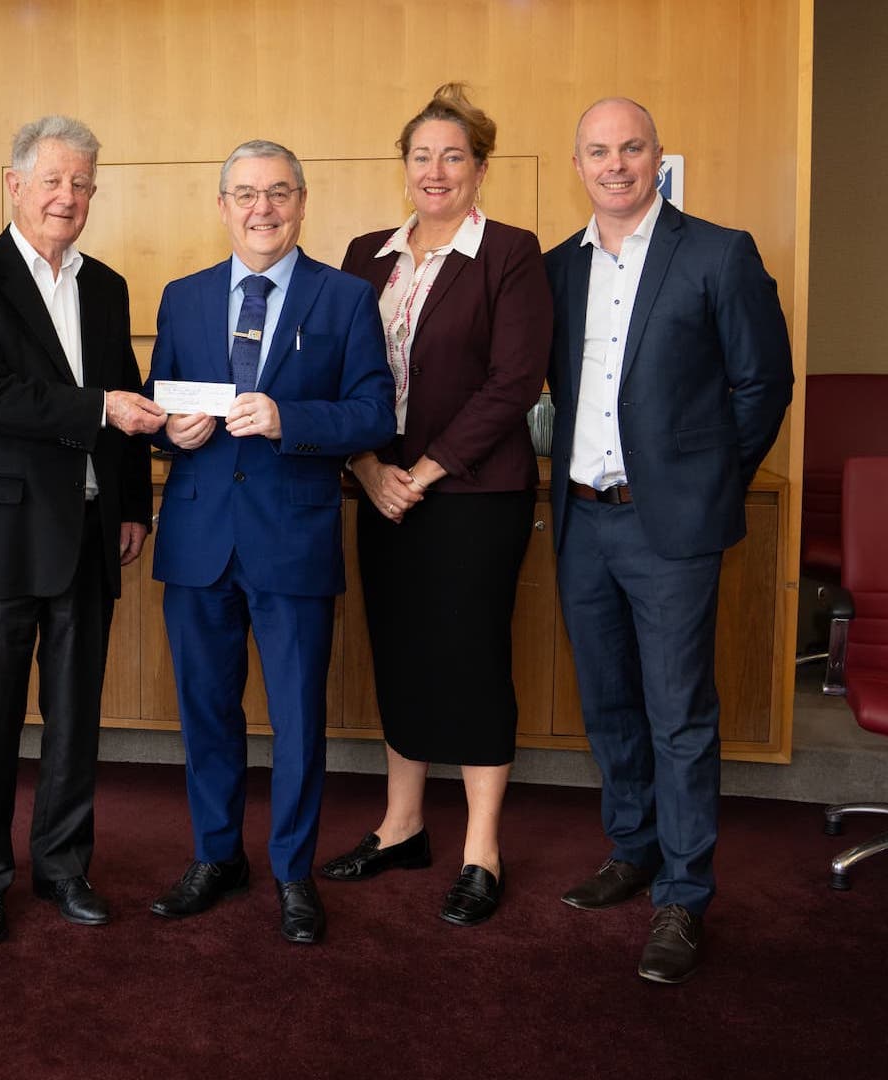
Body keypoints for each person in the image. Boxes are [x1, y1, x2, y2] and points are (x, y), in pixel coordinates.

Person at [544, 98, 793, 983]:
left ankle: (685, 896)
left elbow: (764, 383)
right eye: (599, 151)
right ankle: (634, 848)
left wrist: (707, 480)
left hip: (671, 529)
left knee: (678, 712)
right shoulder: (557, 269)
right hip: (581, 520)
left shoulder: (718, 252)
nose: (616, 164)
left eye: (632, 148)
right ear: (578, 164)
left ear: (658, 157)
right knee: (607, 701)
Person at [145, 140, 394, 944]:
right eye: (246, 194)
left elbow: (373, 413)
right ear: (223, 206)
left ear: (301, 201)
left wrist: (293, 420)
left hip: (292, 541)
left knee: (296, 718)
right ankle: (217, 856)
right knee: (207, 713)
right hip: (197, 541)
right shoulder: (180, 299)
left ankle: (292, 870)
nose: (263, 209)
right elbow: (160, 410)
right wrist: (169, 432)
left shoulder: (346, 299)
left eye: (278, 193)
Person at [0, 116, 164, 947]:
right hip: (1, 540)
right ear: (14, 184)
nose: (69, 197)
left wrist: (134, 503)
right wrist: (100, 410)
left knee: (75, 721)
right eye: (55, 181)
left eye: (84, 184)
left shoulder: (106, 286)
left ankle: (64, 868)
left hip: (92, 530)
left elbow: (127, 393)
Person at [319, 84, 552, 928]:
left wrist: (420, 472)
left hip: (473, 495)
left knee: (472, 655)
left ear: (480, 168)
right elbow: (337, 376)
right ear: (404, 166)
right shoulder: (364, 255)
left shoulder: (511, 254)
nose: (436, 170)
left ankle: (482, 848)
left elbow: (513, 383)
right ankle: (401, 825)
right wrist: (371, 466)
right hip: (379, 489)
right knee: (400, 650)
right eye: (422, 155)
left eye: (454, 155)